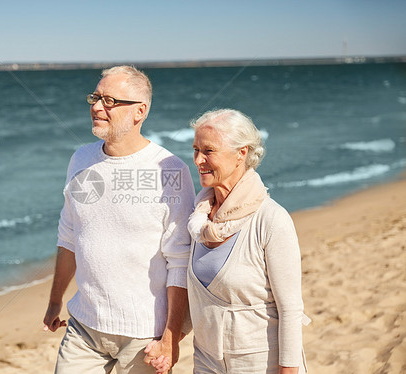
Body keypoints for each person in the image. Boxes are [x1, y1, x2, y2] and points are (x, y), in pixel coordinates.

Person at [43, 65, 195, 374]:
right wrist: (55, 300)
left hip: (144, 334)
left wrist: (170, 337)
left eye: (110, 100)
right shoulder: (81, 159)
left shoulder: (169, 170)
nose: (97, 107)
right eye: (95, 97)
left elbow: (180, 261)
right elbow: (69, 237)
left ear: (140, 111)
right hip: (84, 325)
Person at [153, 109, 308, 373]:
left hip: (259, 362)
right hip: (206, 360)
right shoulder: (199, 217)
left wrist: (289, 368)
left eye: (209, 151)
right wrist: (169, 340)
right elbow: (201, 297)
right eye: (195, 150)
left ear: (241, 153)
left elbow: (291, 308)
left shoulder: (271, 220)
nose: (198, 160)